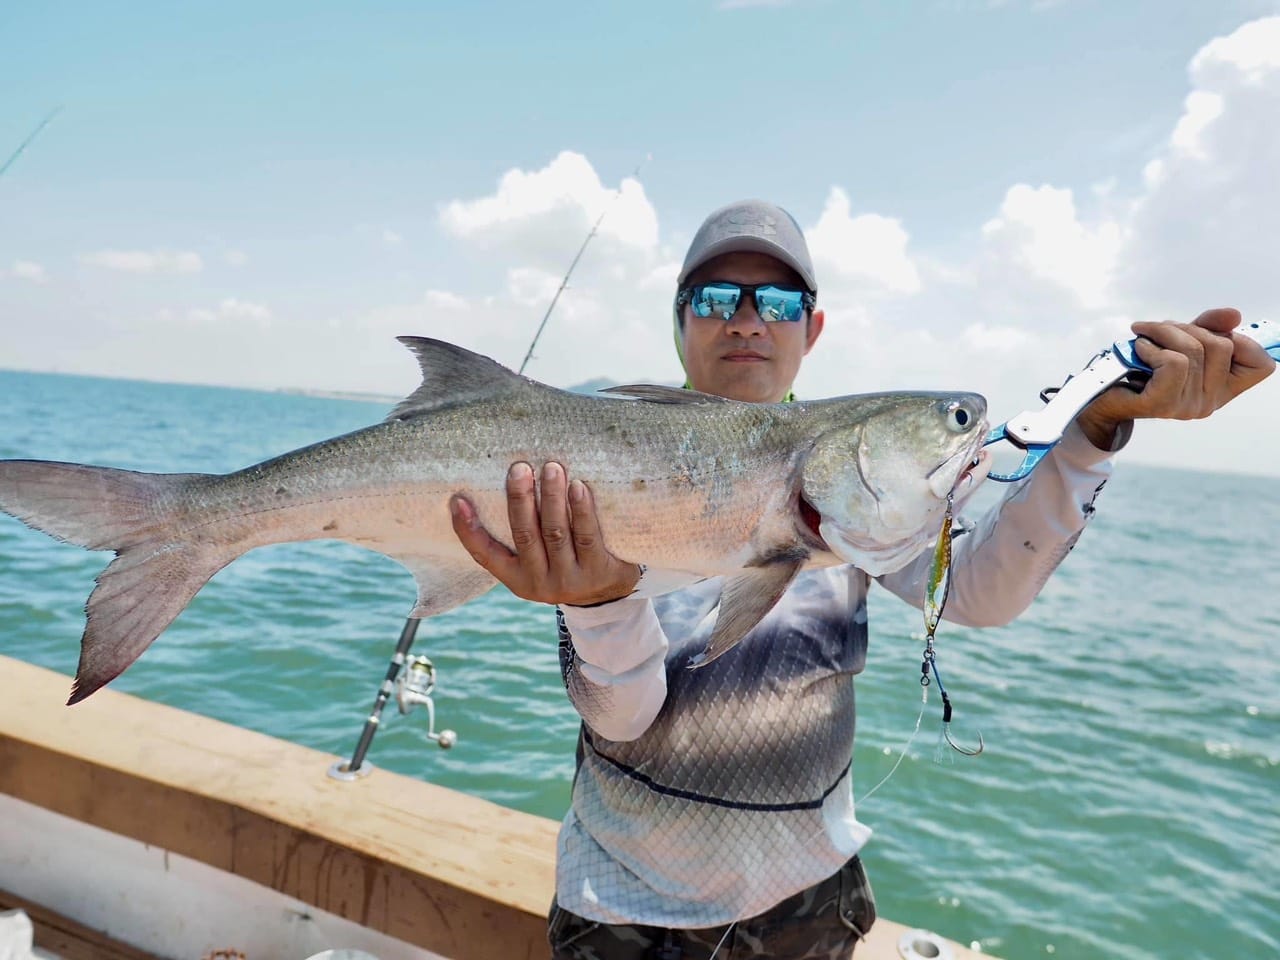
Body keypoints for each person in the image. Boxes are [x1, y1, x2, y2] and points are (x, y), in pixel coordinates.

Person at [448, 200, 1273, 959]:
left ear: (812, 328)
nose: (745, 321)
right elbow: (622, 717)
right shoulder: (601, 473)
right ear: (678, 325)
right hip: (623, 910)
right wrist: (596, 602)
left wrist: (1093, 430)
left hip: (810, 906)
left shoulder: (861, 500)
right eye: (713, 299)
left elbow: (978, 593)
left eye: (775, 304)